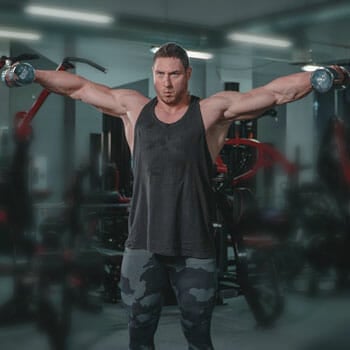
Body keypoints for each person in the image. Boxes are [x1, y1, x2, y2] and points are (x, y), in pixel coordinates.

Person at [1, 42, 346, 349]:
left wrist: (323, 75)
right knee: (139, 335)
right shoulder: (133, 108)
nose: (166, 83)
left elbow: (273, 93)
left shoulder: (211, 111)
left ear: (188, 74)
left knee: (198, 336)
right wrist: (31, 74)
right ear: (153, 73)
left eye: (175, 74)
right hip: (142, 247)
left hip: (194, 250)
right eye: (160, 74)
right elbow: (78, 87)